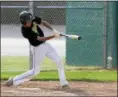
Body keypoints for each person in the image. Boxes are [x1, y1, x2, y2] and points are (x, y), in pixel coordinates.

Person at [5, 11, 70, 89]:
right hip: (37, 48)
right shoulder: (25, 31)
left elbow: (43, 22)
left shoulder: (32, 19)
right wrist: (54, 36)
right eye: (29, 21)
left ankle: (64, 83)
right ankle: (14, 80)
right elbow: (40, 39)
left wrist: (54, 30)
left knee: (59, 60)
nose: (31, 21)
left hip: (46, 45)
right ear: (24, 22)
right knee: (35, 71)